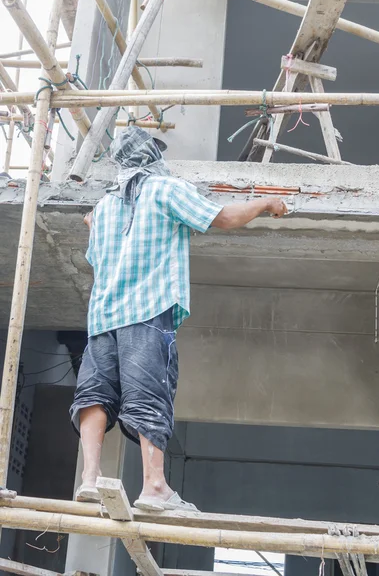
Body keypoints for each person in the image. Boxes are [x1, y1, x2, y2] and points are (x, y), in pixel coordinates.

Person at [70, 126, 287, 512]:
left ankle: (88, 480)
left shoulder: (102, 208)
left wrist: (96, 225)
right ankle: (154, 488)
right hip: (147, 310)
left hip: (102, 319)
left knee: (94, 394)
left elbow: (96, 255)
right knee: (148, 395)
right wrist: (264, 203)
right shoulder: (165, 189)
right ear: (152, 156)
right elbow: (222, 217)